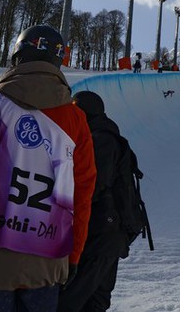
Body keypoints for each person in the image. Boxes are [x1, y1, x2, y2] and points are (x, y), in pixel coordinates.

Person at [0, 25, 97, 312]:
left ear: (17, 58)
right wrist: (74, 255)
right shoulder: (76, 120)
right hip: (47, 256)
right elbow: (82, 195)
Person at [57, 91, 132, 312]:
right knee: (95, 300)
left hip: (101, 234)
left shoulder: (100, 139)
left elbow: (93, 186)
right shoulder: (104, 133)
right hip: (109, 233)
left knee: (71, 300)